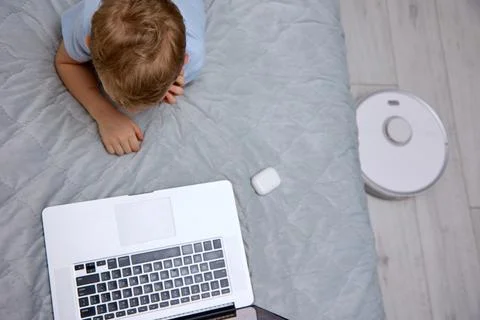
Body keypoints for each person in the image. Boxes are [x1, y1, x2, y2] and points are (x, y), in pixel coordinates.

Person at [55, 0, 205, 156]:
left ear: (183, 62)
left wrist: (170, 81)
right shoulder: (87, 22)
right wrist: (106, 115)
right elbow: (65, 62)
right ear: (89, 44)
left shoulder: (194, 58)